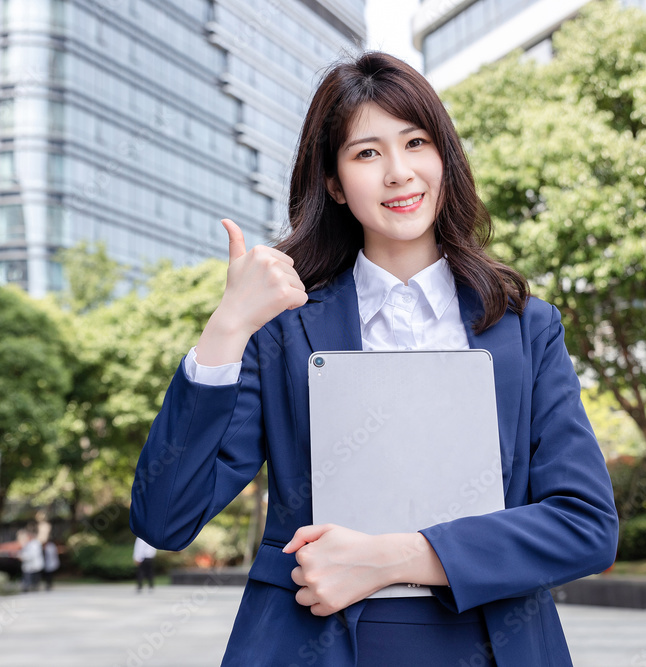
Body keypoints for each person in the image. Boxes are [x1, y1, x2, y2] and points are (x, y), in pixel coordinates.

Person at [130, 52, 618, 666]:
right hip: (317, 642)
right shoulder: (282, 332)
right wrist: (227, 328)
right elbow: (165, 517)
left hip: (494, 643)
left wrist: (395, 556)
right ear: (333, 182)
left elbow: (586, 526)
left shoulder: (525, 328)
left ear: (444, 157)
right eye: (366, 153)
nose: (398, 173)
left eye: (416, 142)